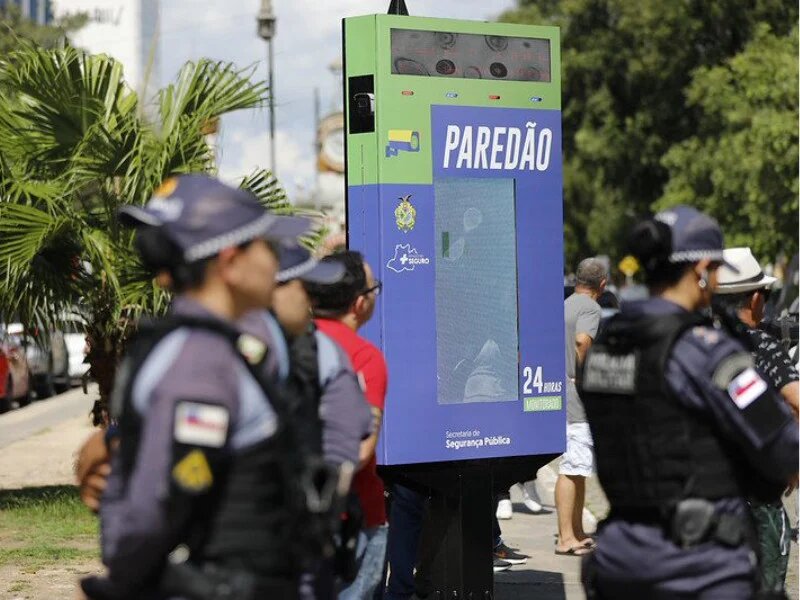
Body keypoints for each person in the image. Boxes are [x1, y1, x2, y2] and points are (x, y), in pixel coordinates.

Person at [78, 174, 318, 600]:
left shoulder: (215, 345)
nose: (276, 262)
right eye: (268, 246)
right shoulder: (202, 362)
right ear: (230, 262)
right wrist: (125, 580)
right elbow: (161, 503)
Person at [579, 206, 799, 599]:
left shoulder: (608, 345)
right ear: (700, 267)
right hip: (701, 570)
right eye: (714, 270)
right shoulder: (703, 351)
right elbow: (785, 449)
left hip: (620, 563)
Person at [714, 246, 799, 596]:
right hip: (757, 496)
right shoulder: (762, 346)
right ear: (753, 300)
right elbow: (796, 399)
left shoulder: (697, 342)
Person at [305, 251, 389, 600]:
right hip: (356, 516)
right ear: (358, 303)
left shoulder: (291, 344)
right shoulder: (365, 357)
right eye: (374, 288)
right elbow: (362, 446)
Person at [555, 258, 607, 556]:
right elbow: (581, 341)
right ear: (602, 284)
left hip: (563, 394)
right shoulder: (590, 307)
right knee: (573, 466)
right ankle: (566, 538)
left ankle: (576, 531)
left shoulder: (567, 303)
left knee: (579, 467)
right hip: (576, 398)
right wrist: (583, 376)